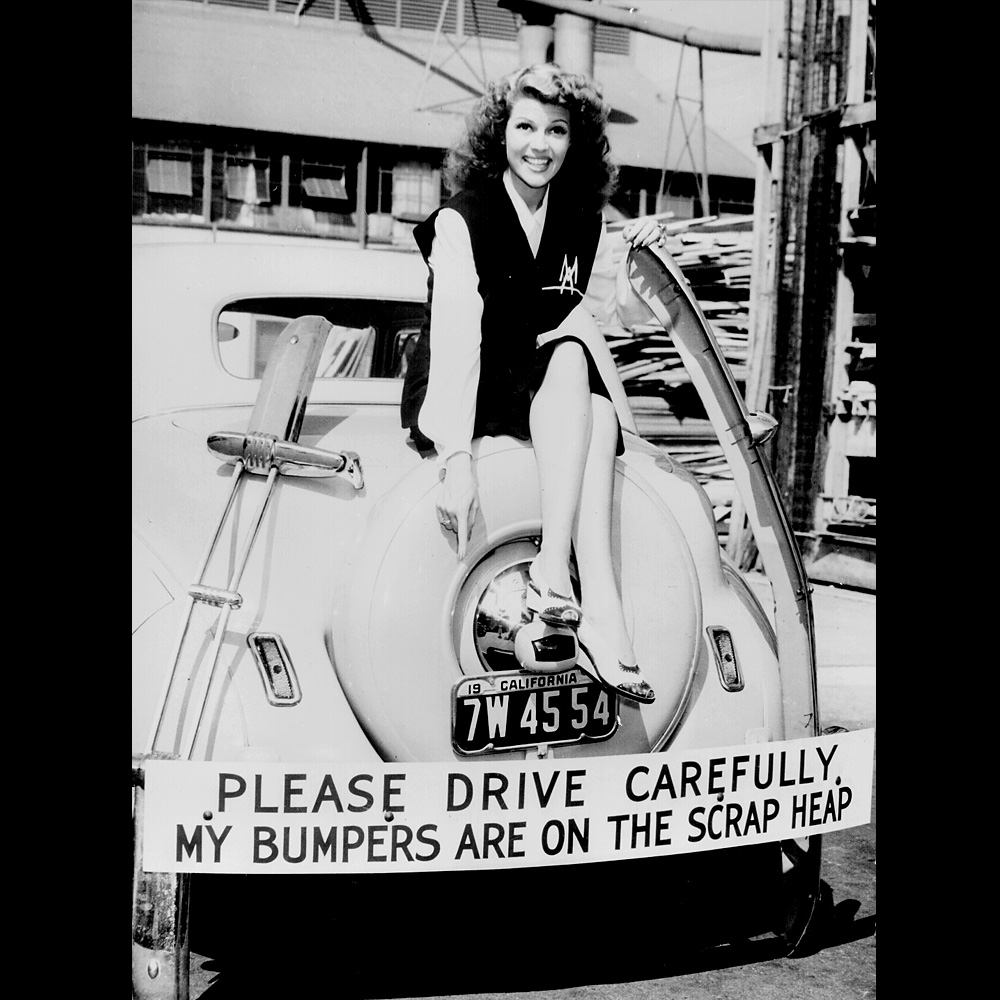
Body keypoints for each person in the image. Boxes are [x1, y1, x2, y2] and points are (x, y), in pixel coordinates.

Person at [401, 64, 663, 704]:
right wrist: (457, 461)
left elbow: (611, 316)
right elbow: (459, 342)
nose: (538, 144)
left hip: (536, 383)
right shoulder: (462, 220)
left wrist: (636, 270)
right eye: (524, 126)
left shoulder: (580, 218)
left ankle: (586, 600)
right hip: (465, 386)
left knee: (591, 395)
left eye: (556, 130)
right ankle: (578, 590)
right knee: (576, 366)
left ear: (575, 142)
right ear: (500, 134)